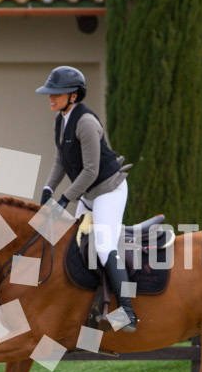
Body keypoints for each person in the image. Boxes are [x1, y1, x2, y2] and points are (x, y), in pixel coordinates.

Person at [36, 65, 137, 332]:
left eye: (56, 93)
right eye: (50, 93)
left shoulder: (86, 122)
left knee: (103, 246)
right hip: (89, 192)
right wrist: (48, 188)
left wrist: (65, 198)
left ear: (74, 95)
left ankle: (127, 312)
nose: (50, 97)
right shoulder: (61, 120)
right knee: (71, 243)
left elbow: (91, 170)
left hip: (108, 190)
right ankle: (87, 305)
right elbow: (60, 160)